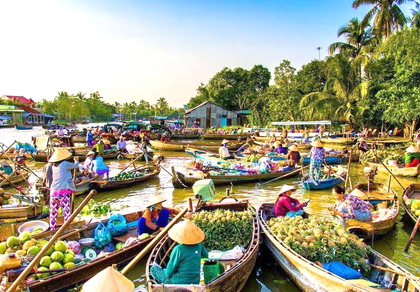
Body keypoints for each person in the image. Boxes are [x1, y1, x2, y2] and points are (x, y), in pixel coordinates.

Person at [150, 220, 208, 285]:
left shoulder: (178, 249)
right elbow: (206, 256)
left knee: (154, 269)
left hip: (178, 282)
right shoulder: (199, 245)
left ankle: (164, 286)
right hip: (196, 281)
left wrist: (164, 270)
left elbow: (168, 273)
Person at [49, 149, 79, 229]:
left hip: (53, 191)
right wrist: (76, 160)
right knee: (66, 211)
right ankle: (67, 227)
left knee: (53, 212)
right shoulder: (65, 164)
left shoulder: (54, 166)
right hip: (63, 191)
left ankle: (52, 228)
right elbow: (75, 166)